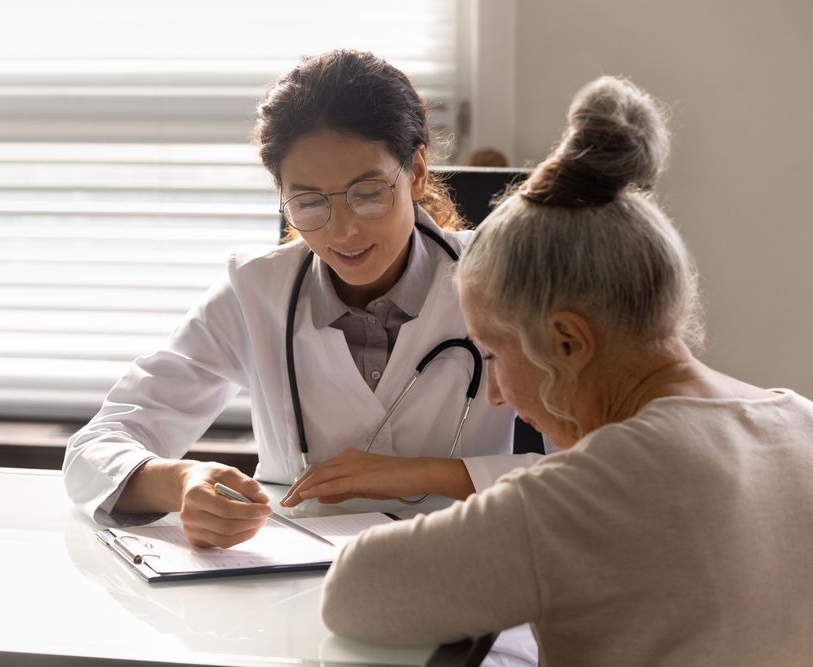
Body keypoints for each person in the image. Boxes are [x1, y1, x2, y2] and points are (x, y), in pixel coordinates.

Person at [320, 75, 813, 665]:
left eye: (495, 354)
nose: (496, 393)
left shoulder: (589, 493)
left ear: (568, 341)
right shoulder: (799, 421)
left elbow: (358, 592)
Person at [63, 50, 541, 547]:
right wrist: (180, 482)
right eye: (309, 202)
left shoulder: (509, 277)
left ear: (417, 171)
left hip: (468, 566)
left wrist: (427, 474)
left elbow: (603, 463)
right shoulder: (253, 291)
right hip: (294, 589)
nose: (344, 229)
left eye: (368, 192)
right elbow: (93, 449)